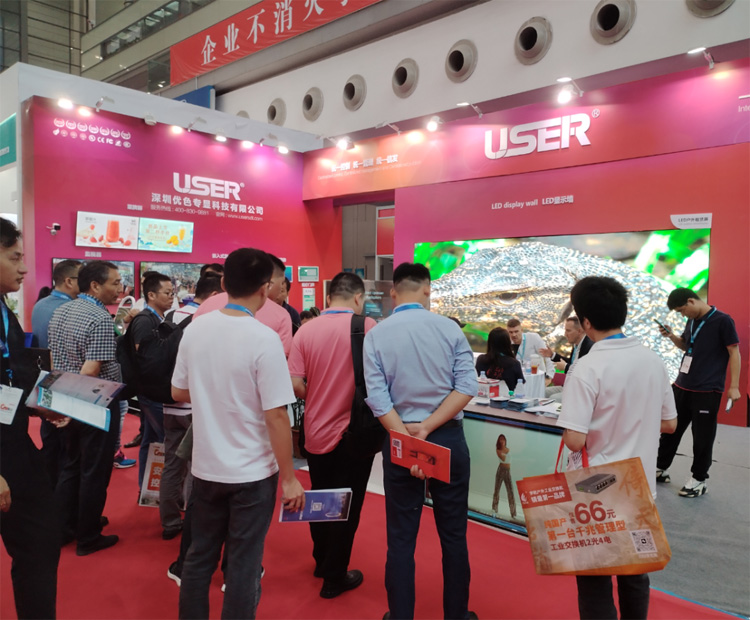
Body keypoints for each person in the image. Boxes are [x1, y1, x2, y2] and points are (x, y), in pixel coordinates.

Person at [172, 247, 304, 619]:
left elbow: (178, 391)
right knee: (244, 564)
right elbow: (276, 415)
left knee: (199, 557)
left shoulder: (196, 328)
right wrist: (290, 478)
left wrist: (213, 391)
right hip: (253, 473)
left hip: (206, 467)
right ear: (266, 288)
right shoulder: (264, 338)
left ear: (224, 283)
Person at [556, 276, 677, 620]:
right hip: (639, 485)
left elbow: (575, 440)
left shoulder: (587, 367)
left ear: (586, 322)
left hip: (596, 490)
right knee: (634, 572)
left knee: (594, 577)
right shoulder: (652, 360)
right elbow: (669, 423)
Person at [363, 262, 478, 620]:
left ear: (393, 292)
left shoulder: (376, 334)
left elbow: (378, 399)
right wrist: (427, 429)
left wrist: (409, 440)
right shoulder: (449, 329)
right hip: (445, 437)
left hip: (399, 435)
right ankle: (456, 615)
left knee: (400, 537)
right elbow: (467, 387)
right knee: (453, 535)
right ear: (427, 289)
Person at [288, 272, 376, 598]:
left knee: (320, 498)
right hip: (355, 434)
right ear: (358, 298)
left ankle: (322, 560)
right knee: (348, 506)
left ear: (328, 298)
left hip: (315, 432)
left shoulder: (306, 330)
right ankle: (335, 576)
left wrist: (318, 395)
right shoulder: (367, 328)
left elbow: (295, 384)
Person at [0, 217, 62, 618]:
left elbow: (13, 373)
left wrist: (40, 402)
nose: (24, 268)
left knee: (40, 542)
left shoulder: (5, 311)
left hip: (16, 445)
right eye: (14, 257)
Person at [49, 260, 123, 556]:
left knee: (71, 465)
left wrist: (64, 404)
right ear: (95, 285)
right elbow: (91, 370)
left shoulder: (61, 310)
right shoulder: (100, 317)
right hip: (95, 401)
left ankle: (64, 528)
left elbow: (54, 359)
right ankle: (88, 536)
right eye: (115, 282)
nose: (120, 288)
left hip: (67, 396)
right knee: (95, 470)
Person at [655, 287, 741, 498]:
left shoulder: (723, 321)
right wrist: (671, 336)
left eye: (681, 310)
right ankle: (660, 467)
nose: (682, 315)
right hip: (682, 385)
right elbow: (686, 346)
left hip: (707, 390)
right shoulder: (692, 320)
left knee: (702, 437)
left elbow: (734, 352)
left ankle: (699, 479)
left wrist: (734, 386)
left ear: (691, 301)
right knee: (670, 430)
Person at [159, 273, 223, 542]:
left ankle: (169, 520)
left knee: (172, 465)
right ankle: (195, 519)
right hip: (194, 404)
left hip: (168, 401)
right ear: (214, 295)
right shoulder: (205, 321)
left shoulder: (170, 315)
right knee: (199, 467)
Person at [31, 259, 82, 484]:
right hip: (65, 384)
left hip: (46, 382)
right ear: (69, 281)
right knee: (69, 454)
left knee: (51, 445)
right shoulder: (68, 310)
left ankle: (51, 493)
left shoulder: (40, 305)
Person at [129, 272, 175, 503]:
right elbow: (144, 358)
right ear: (151, 295)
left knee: (150, 439)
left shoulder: (158, 319)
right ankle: (163, 494)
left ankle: (147, 490)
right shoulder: (145, 321)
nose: (172, 297)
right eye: (167, 293)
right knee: (166, 441)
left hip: (152, 391)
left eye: (172, 293)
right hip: (151, 392)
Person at [193, 254, 293, 356]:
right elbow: (279, 359)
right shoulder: (281, 316)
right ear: (268, 284)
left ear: (223, 282)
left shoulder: (208, 304)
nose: (281, 288)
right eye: (281, 283)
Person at [540, 316, 593, 399]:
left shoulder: (589, 346)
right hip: (569, 386)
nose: (565, 334)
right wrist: (552, 355)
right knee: (541, 392)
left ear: (579, 331)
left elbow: (582, 372)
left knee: (554, 398)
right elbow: (572, 362)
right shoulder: (576, 345)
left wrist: (565, 367)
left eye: (568, 331)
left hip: (579, 390)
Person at [475, 327, 524, 392]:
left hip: (484, 395)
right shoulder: (514, 363)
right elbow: (520, 383)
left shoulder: (481, 360)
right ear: (507, 343)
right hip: (508, 396)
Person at [506, 318, 555, 384]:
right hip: (518, 381)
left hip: (537, 379)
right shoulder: (507, 343)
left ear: (522, 330)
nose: (514, 335)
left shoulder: (533, 338)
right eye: (511, 332)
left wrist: (549, 376)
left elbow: (548, 357)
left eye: (516, 331)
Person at [491, 434, 515, 520]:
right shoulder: (498, 450)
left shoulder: (507, 449)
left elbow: (510, 459)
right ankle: (494, 509)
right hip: (501, 470)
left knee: (510, 491)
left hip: (508, 471)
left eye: (503, 439)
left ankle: (513, 512)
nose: (502, 441)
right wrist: (504, 452)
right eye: (500, 440)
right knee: (497, 490)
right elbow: (504, 459)